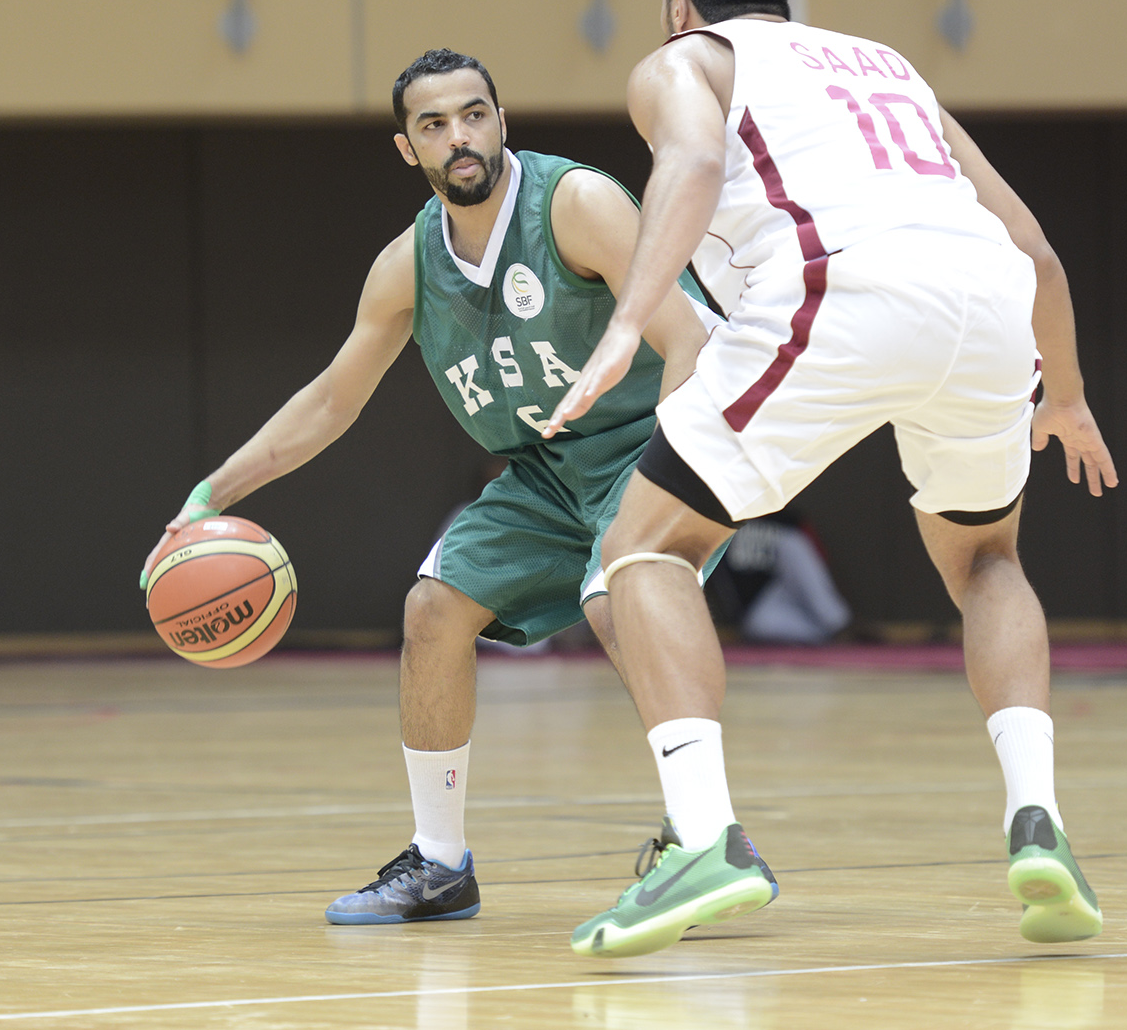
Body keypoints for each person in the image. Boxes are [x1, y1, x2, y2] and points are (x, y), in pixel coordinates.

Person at [543, 0, 1118, 958]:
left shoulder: (685, 62)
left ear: (678, 0)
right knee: (988, 557)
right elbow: (1032, 244)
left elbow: (695, 166)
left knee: (644, 549)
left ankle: (707, 838)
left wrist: (631, 317)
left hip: (840, 288)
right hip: (988, 302)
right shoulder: (887, 64)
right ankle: (1037, 819)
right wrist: (1068, 394)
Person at [141, 48, 727, 926]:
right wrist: (208, 498)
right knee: (433, 610)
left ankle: (706, 838)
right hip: (544, 471)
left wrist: (667, 481)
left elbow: (694, 342)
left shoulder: (576, 205)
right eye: (434, 124)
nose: (460, 136)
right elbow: (330, 401)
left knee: (619, 599)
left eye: (474, 114)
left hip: (657, 438)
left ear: (500, 120)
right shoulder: (407, 265)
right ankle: (441, 864)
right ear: (406, 147)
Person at [708, 509, 852, 645]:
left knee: (791, 544)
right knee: (761, 624)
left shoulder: (786, 519)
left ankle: (840, 623)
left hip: (792, 588)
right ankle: (841, 630)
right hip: (763, 605)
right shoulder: (721, 519)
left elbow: (820, 563)